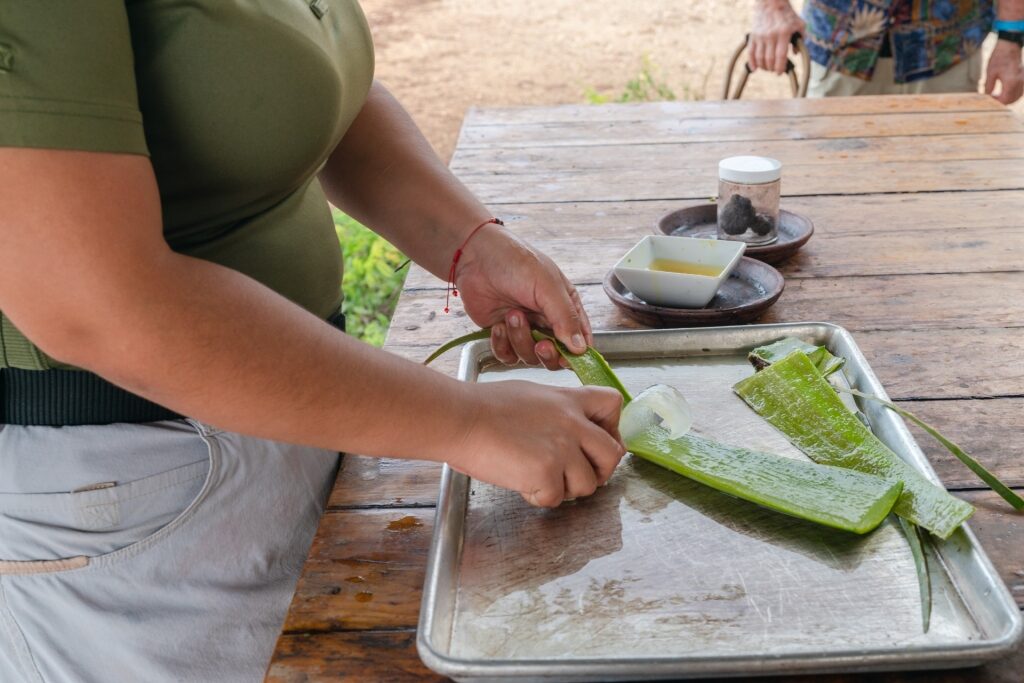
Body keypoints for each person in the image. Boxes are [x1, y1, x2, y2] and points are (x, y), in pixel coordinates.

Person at [0, 1, 626, 681]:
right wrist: (467, 419)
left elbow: (300, 91)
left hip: (298, 414)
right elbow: (91, 304)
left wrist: (469, 244)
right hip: (135, 497)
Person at [748, 0, 1024, 104]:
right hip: (839, 48)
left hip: (947, 51)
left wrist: (1011, 37)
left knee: (944, 202)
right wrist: (771, 6)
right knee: (830, 204)